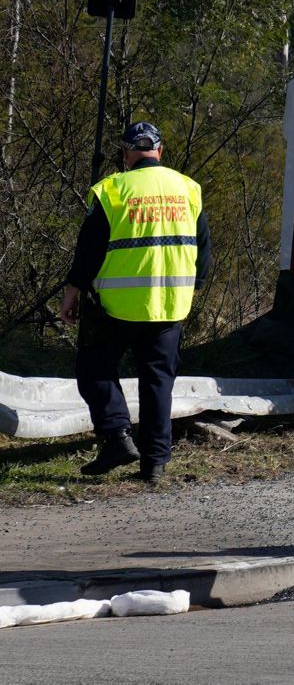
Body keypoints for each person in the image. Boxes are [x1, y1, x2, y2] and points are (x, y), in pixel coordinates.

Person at [59, 122, 211, 484]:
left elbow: (89, 250)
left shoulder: (113, 189)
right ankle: (155, 464)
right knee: (158, 382)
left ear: (126, 154)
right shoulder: (188, 189)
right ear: (160, 150)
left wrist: (72, 291)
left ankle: (116, 437)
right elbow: (203, 251)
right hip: (170, 305)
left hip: (117, 306)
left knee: (94, 370)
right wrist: (194, 287)